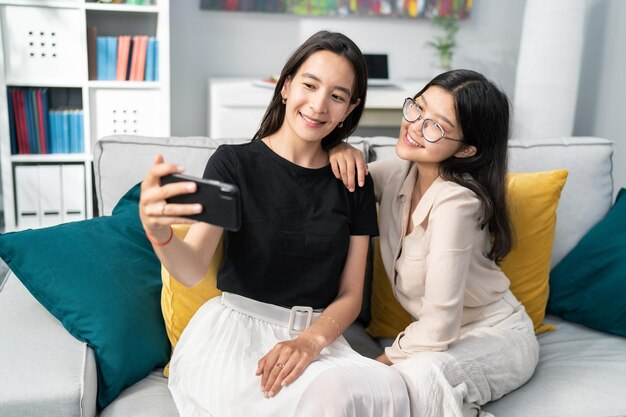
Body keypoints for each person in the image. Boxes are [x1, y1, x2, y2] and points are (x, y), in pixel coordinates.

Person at [139, 31, 410, 417]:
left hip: (319, 339)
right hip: (236, 339)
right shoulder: (232, 164)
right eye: (309, 85)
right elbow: (192, 266)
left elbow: (350, 294)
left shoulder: (354, 181)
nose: (318, 105)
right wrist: (158, 230)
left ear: (350, 109)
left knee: (389, 389)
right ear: (285, 87)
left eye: (336, 96)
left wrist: (311, 342)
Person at [329, 69, 540, 417]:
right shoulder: (400, 172)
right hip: (439, 341)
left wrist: (377, 366)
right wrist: (337, 147)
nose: (414, 126)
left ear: (468, 148)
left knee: (417, 377)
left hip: (496, 337)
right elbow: (337, 182)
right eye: (417, 109)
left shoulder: (457, 202)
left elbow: (440, 324)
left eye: (436, 126)